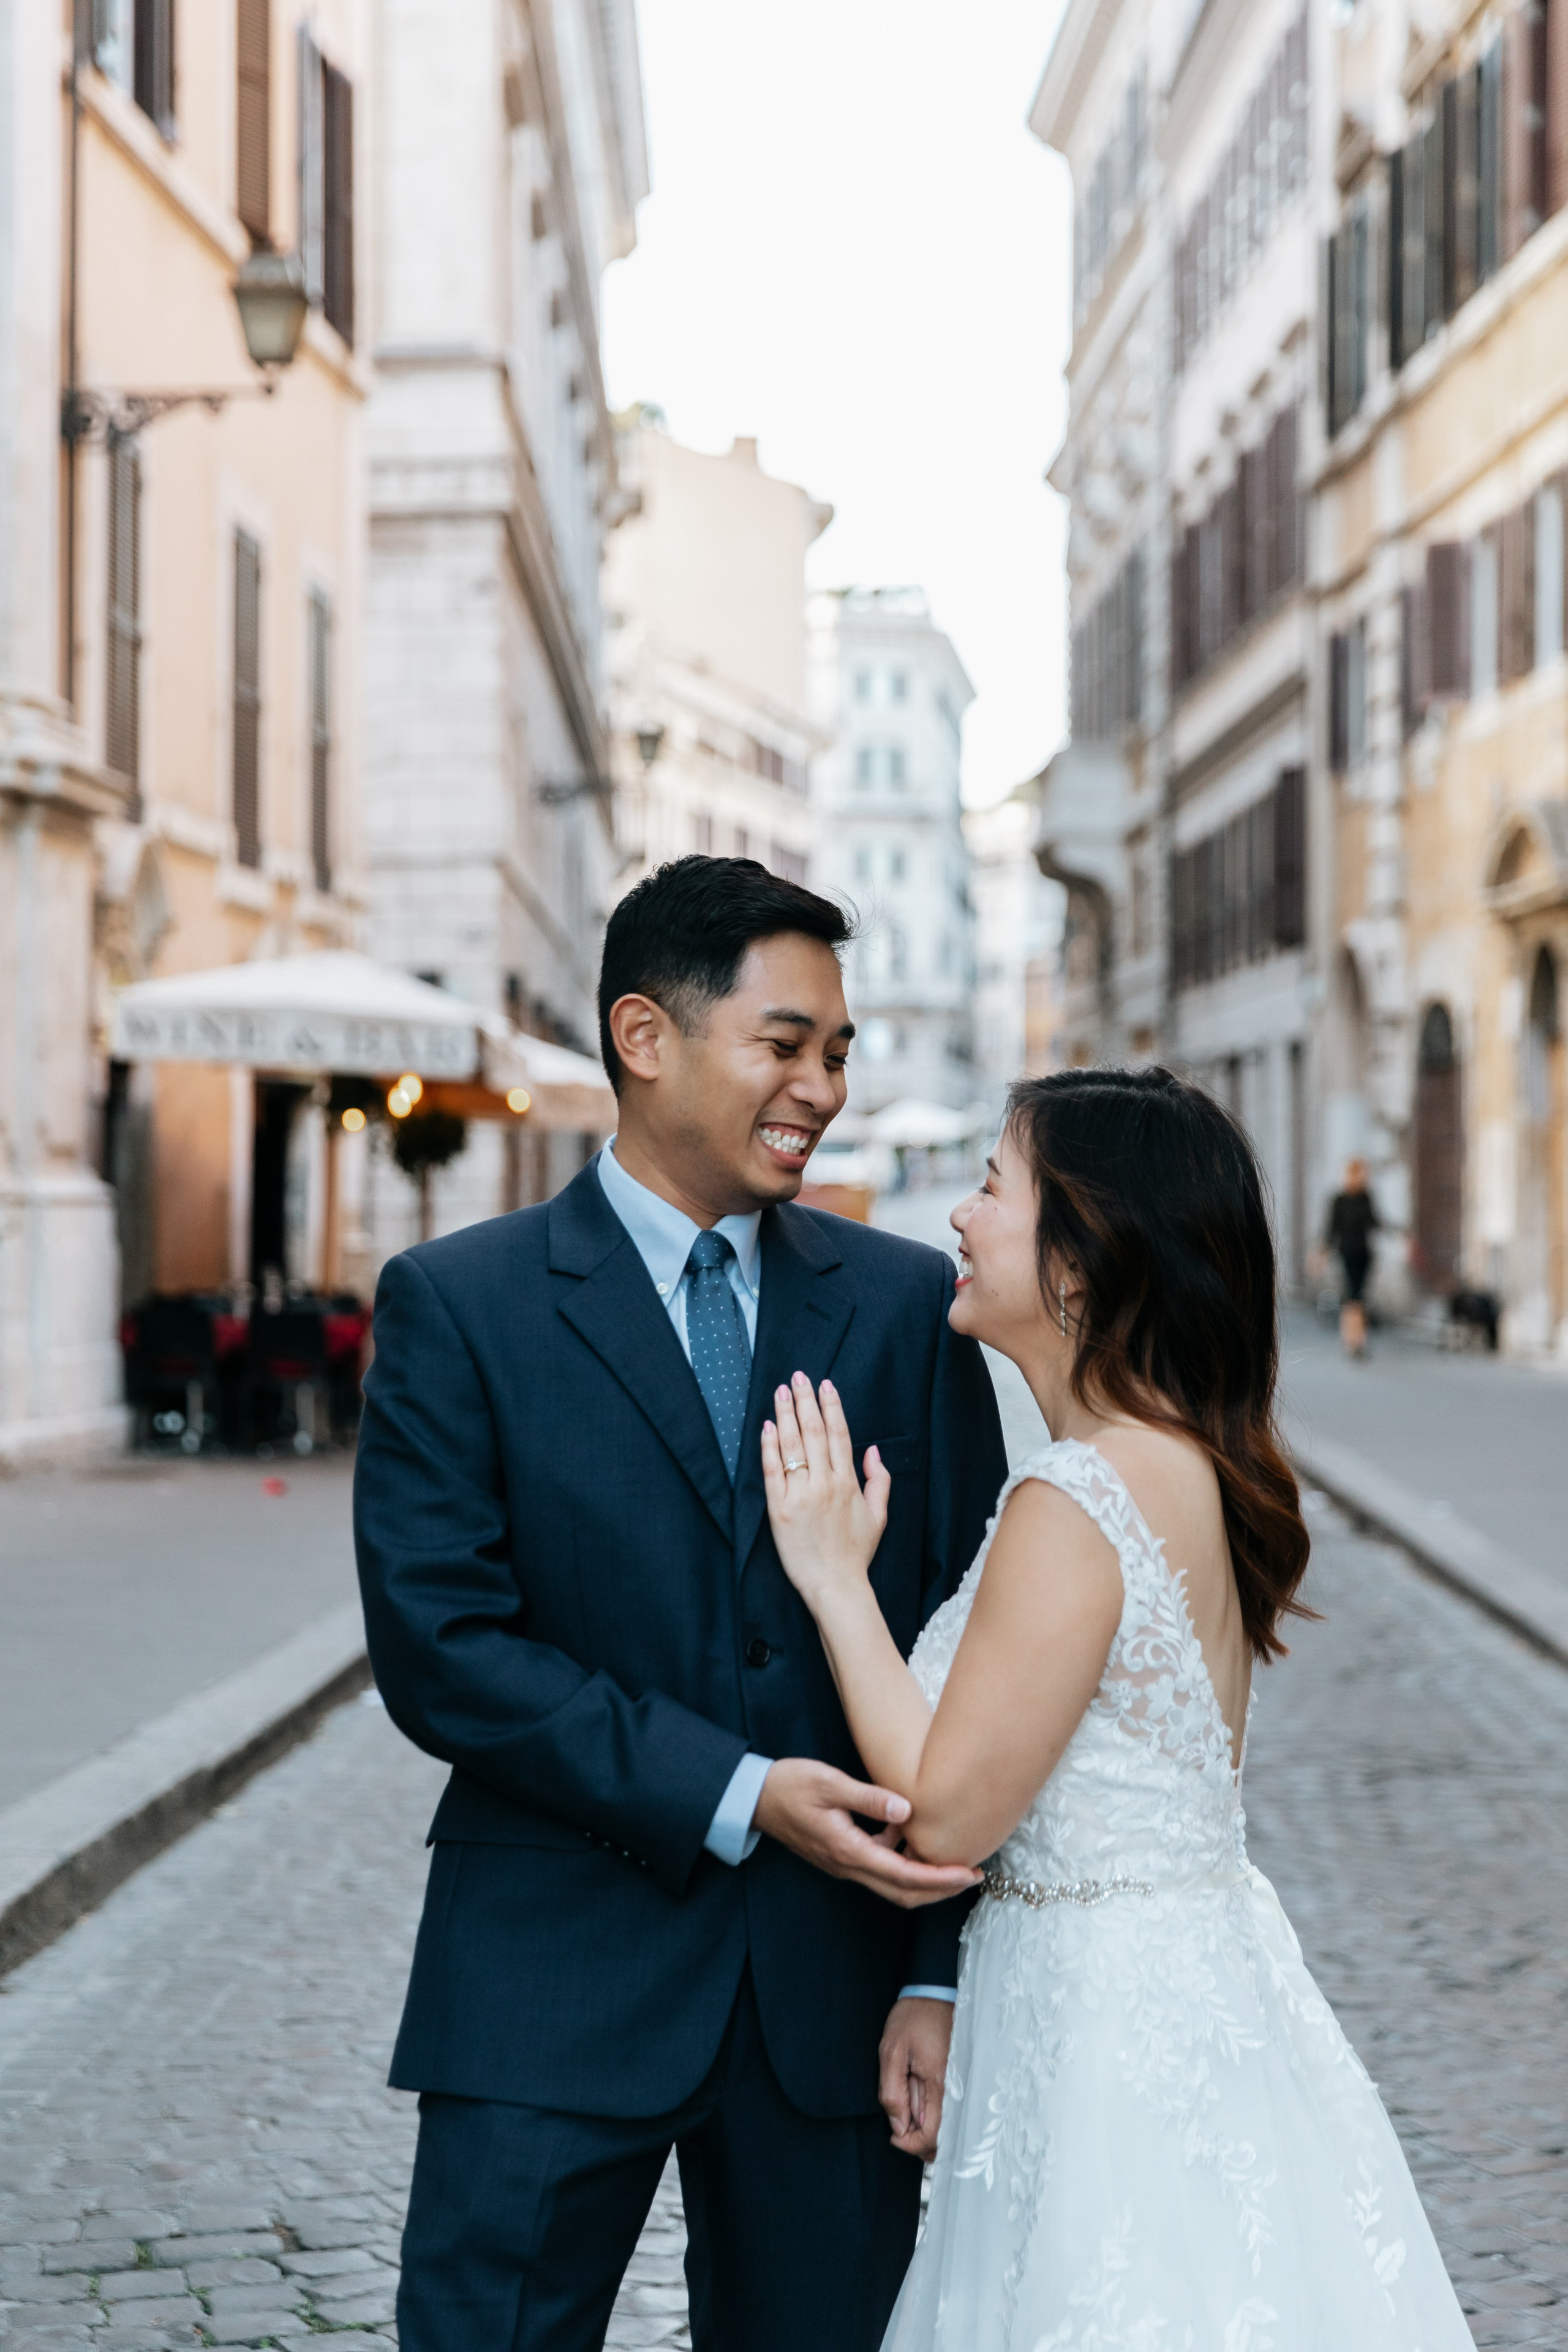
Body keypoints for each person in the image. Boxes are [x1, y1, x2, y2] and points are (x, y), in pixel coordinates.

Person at [353, 856, 1008, 2352]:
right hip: (543, 1978)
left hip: (834, 2007)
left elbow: (960, 1645)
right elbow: (442, 1652)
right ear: (644, 1037)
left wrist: (933, 1969)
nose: (820, 1088)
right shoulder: (460, 1303)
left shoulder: (907, 1307)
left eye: (838, 1052)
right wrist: (735, 1788)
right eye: (784, 1044)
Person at [762, 1068, 1474, 2351]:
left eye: (991, 1189)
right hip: (1173, 1985)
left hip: (1103, 2037)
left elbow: (944, 1814)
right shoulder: (1177, 1460)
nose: (961, 1222)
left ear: (1077, 1264)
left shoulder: (1079, 1496)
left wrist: (830, 1580)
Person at [1326, 1155, 1379, 1356]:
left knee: (1361, 1296)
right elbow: (1332, 1228)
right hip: (1347, 1252)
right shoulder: (1340, 1200)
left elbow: (1374, 1221)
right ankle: (1351, 1338)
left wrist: (1399, 1233)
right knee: (1351, 1295)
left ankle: (1359, 1339)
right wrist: (1322, 1252)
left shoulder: (1366, 1197)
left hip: (1364, 1253)